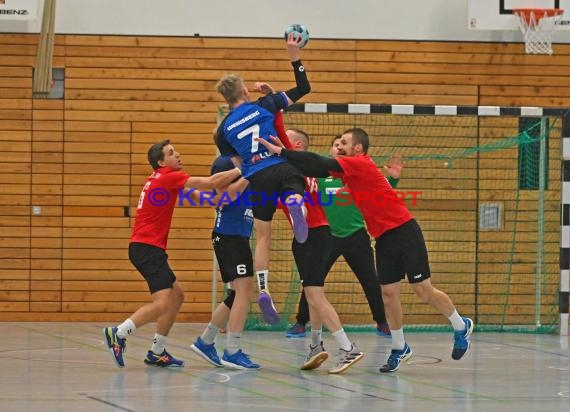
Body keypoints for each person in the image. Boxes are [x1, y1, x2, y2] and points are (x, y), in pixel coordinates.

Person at [256, 128, 474, 373]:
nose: (340, 145)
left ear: (357, 148)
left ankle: (460, 323)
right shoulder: (349, 175)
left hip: (403, 231)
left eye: (345, 142)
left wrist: (282, 152)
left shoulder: (359, 163)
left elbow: (318, 163)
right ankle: (400, 347)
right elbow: (316, 171)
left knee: (423, 290)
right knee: (389, 295)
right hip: (382, 238)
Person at [102, 140, 242, 368]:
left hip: (147, 248)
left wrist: (231, 192)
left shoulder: (165, 180)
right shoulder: (167, 176)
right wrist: (243, 168)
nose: (177, 155)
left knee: (176, 296)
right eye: (170, 153)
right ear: (160, 162)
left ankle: (157, 351)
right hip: (147, 248)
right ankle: (118, 332)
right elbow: (210, 183)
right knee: (163, 303)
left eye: (175, 151)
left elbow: (208, 198)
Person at [215, 33, 311, 326]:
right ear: (245, 90)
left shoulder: (221, 132)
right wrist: (294, 55)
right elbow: (304, 87)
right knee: (296, 183)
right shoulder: (264, 104)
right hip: (278, 164)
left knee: (263, 236)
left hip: (257, 178)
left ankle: (264, 286)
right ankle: (296, 202)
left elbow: (239, 164)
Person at [286, 134, 399, 339]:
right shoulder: (318, 177)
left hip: (356, 235)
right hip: (328, 236)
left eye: (342, 144)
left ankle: (382, 322)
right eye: (335, 145)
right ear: (330, 151)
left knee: (370, 280)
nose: (338, 147)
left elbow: (378, 191)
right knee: (313, 280)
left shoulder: (352, 175)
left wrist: (393, 179)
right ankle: (301, 322)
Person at [280, 128, 363, 374]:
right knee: (312, 291)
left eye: (284, 137)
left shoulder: (294, 170)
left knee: (315, 295)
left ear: (295, 145)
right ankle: (316, 345)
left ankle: (348, 348)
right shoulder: (306, 170)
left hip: (313, 235)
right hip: (314, 235)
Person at [190, 155, 261, 370]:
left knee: (236, 294)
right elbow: (224, 196)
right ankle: (232, 350)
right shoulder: (228, 163)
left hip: (236, 237)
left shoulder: (247, 163)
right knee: (244, 292)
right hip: (230, 237)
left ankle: (205, 341)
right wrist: (249, 171)